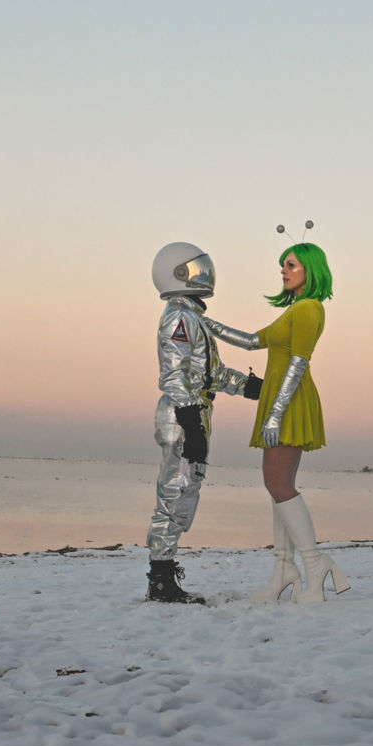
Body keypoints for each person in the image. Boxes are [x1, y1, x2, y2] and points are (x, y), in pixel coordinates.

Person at [204, 240, 350, 605]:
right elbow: (254, 341)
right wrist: (208, 324)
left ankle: (314, 565)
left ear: (310, 270)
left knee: (278, 483)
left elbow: (298, 364)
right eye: (283, 265)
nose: (283, 271)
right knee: (277, 485)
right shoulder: (293, 311)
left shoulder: (309, 309)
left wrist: (274, 414)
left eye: (291, 265)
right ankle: (284, 569)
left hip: (289, 401)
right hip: (280, 401)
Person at [147, 242, 262, 604]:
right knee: (174, 495)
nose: (203, 276)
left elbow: (208, 374)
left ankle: (165, 575)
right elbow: (174, 373)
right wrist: (190, 419)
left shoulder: (193, 317)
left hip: (195, 413)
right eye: (194, 270)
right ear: (177, 273)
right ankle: (161, 580)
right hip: (185, 417)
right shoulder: (178, 317)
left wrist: (249, 387)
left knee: (184, 494)